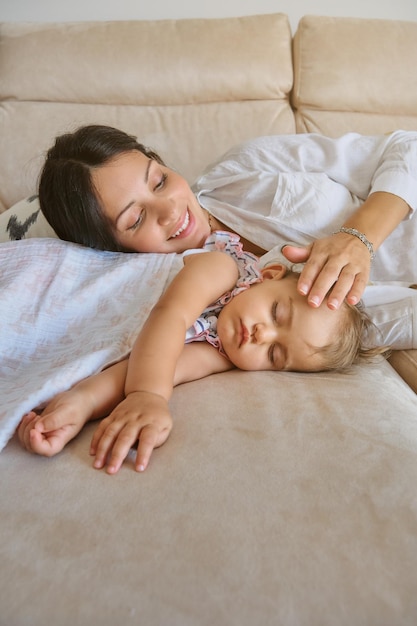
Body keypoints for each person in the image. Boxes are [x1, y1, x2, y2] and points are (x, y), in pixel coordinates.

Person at [17, 231, 383, 474]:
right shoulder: (224, 268)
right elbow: (169, 317)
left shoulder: (222, 354)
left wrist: (79, 404)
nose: (261, 335)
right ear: (268, 275)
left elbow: (149, 367)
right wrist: (148, 395)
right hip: (67, 284)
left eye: (274, 354)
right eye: (276, 313)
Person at [38, 125, 417, 332]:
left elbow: (405, 147)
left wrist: (358, 238)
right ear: (111, 248)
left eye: (159, 181)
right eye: (135, 220)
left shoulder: (242, 168)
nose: (169, 210)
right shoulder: (198, 299)